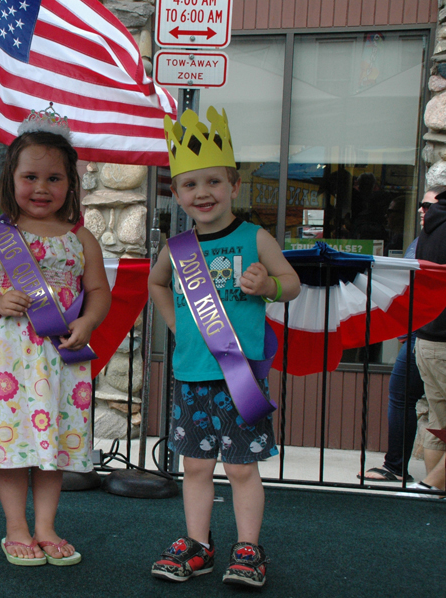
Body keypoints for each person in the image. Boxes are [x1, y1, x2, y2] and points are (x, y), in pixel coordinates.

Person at [147, 107, 300, 588]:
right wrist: (177, 324)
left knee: (240, 468)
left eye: (213, 182)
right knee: (194, 465)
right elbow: (157, 285)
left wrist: (268, 286)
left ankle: (248, 549)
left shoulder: (255, 237)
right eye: (190, 185)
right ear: (177, 194)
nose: (202, 193)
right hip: (191, 373)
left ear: (234, 186)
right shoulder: (176, 250)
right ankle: (198, 545)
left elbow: (292, 283)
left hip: (241, 378)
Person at [0, 106, 111, 567]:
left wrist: (88, 322)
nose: (42, 188)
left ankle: (45, 526)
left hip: (61, 354)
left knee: (53, 446)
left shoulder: (82, 240)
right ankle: (16, 527)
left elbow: (98, 291)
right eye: (31, 177)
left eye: (54, 178)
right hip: (7, 359)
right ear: (11, 179)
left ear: (70, 184)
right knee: (13, 444)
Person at [362, 187, 445, 483]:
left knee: (424, 410)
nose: (423, 210)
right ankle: (421, 481)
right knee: (420, 406)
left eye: (428, 204)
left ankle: (418, 479)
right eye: (421, 205)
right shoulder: (426, 237)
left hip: (425, 336)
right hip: (423, 336)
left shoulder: (430, 237)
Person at [407, 186, 446, 497]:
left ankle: (431, 496)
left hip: (426, 337)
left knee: (438, 421)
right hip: (442, 339)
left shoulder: (429, 231)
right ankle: (430, 486)